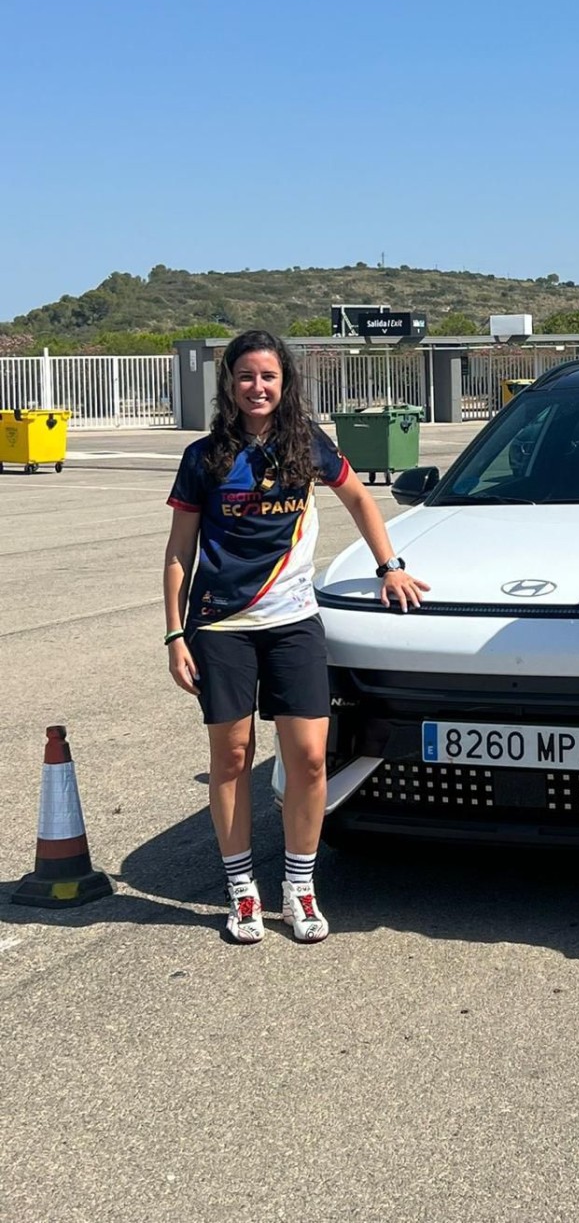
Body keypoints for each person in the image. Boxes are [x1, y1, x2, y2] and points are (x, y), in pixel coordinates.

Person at [163, 330, 428, 944]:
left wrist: (390, 568)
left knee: (310, 759)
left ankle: (299, 886)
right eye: (247, 376)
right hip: (221, 628)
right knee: (229, 759)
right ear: (229, 383)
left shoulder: (307, 443)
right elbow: (179, 553)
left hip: (294, 624)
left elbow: (360, 498)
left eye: (269, 377)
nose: (258, 388)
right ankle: (241, 889)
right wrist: (175, 632)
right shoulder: (204, 457)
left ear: (286, 384)